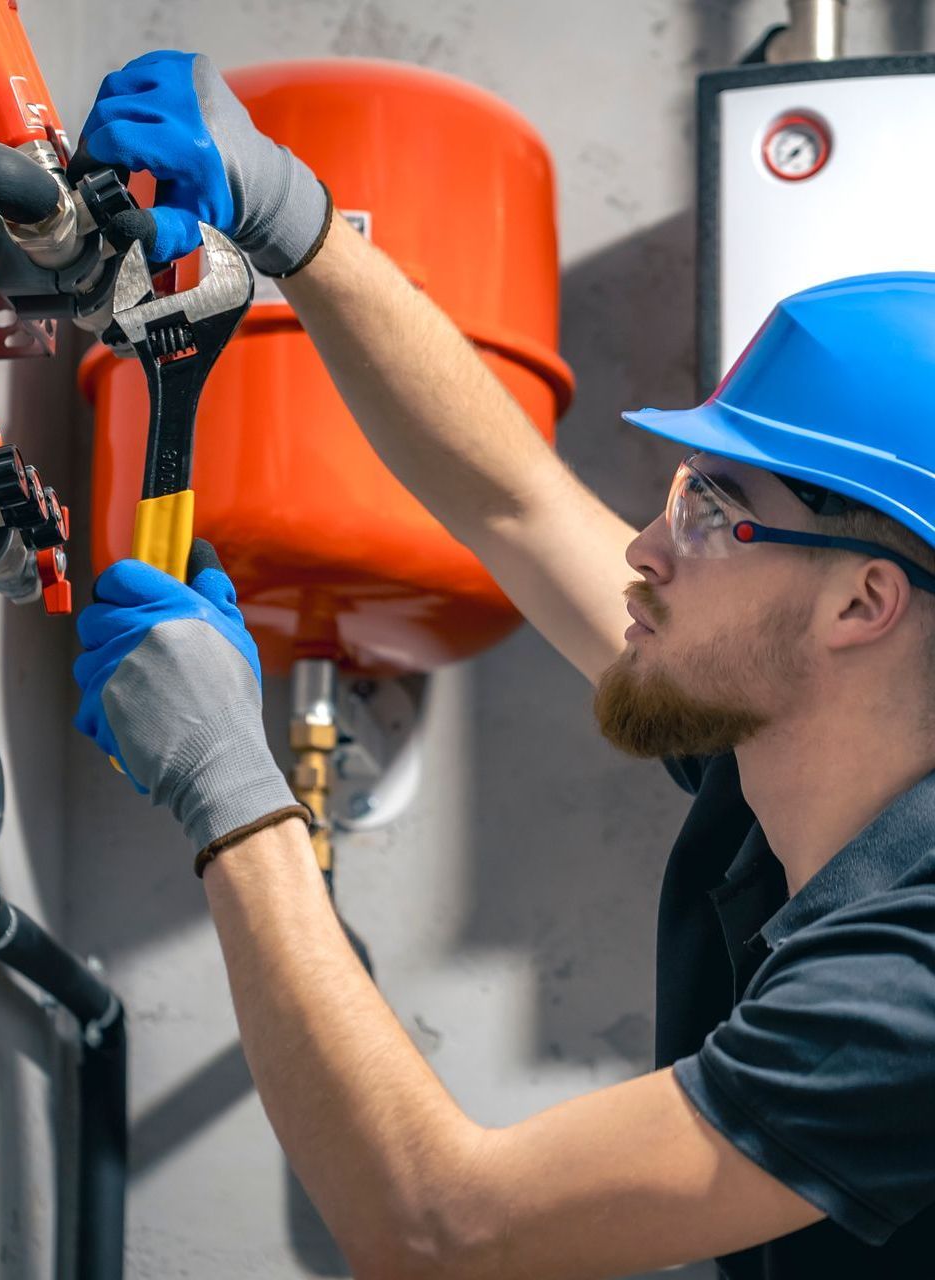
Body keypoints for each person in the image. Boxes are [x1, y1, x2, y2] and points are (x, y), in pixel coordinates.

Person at [71, 51, 935, 1279]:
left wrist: (229, 786)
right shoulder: (784, 749)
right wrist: (296, 222)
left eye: (711, 510)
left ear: (861, 601)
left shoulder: (909, 986)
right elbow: (515, 500)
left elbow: (441, 1228)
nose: (641, 546)